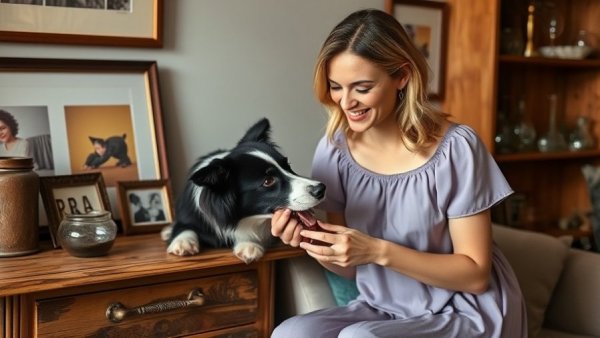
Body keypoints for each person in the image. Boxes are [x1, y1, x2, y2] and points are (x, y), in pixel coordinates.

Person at [271, 9, 526, 338]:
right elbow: (348, 269)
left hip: (466, 308)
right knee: (291, 333)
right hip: (387, 307)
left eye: (362, 88)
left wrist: (377, 250)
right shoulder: (334, 150)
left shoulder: (456, 148)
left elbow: (475, 274)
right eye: (336, 87)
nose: (346, 102)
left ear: (402, 76)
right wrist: (306, 239)